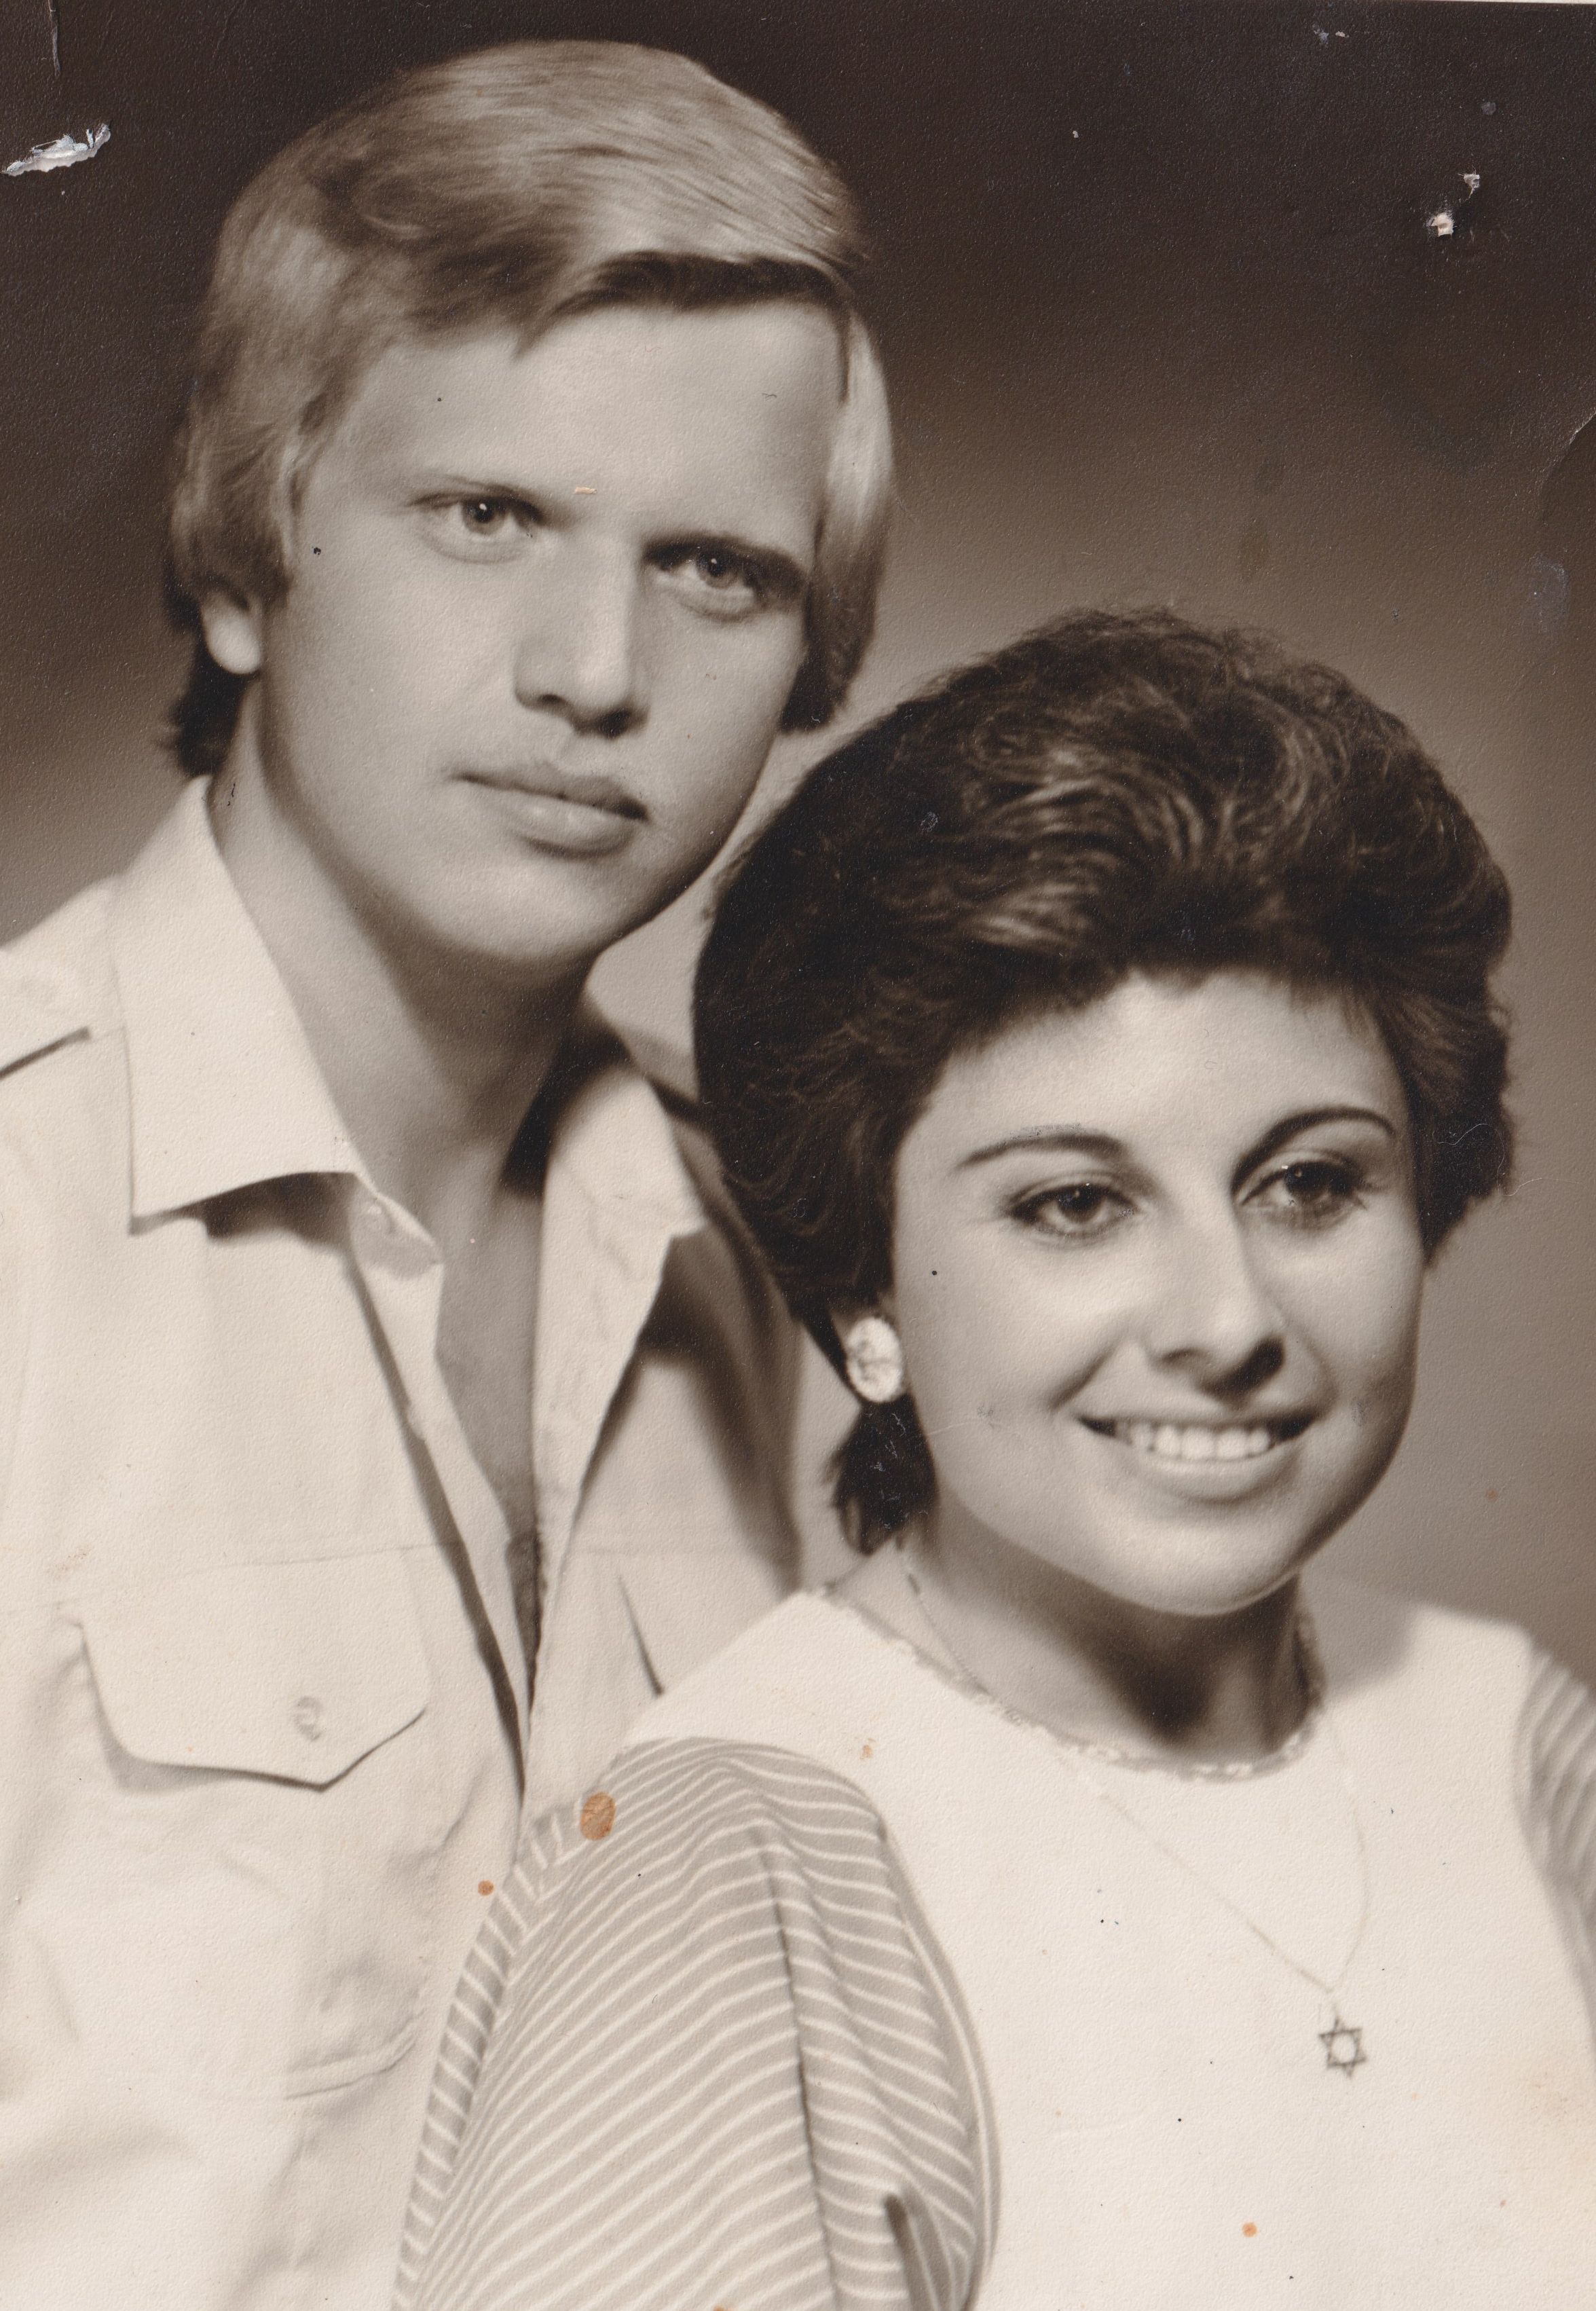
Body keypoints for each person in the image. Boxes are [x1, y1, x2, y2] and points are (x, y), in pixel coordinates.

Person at [398, 610, 1596, 2311]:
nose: (1228, 1318)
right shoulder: (734, 1866)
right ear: (866, 1290)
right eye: (1075, 1204)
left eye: (1312, 1183)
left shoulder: (1516, 1740)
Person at [0, 38, 891, 2310]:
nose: (595, 672)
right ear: (246, 566)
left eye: (716, 570)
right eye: (487, 516)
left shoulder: (745, 1249)